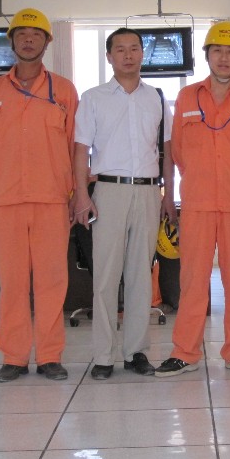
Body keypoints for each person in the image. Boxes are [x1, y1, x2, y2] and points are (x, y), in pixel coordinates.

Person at [0, 8, 78, 383]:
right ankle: (13, 356)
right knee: (12, 283)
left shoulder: (64, 90)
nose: (28, 40)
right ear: (12, 42)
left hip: (52, 199)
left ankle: (49, 356)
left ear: (48, 41)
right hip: (4, 200)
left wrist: (77, 193)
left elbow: (76, 147)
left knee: (51, 282)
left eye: (36, 34)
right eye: (21, 34)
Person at [155, 22, 230, 377]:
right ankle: (184, 352)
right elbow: (177, 152)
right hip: (197, 203)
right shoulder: (187, 97)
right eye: (217, 50)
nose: (223, 57)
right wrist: (180, 188)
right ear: (206, 56)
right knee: (192, 281)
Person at [72, 27, 176, 380]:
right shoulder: (93, 98)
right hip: (108, 191)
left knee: (140, 276)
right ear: (109, 56)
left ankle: (136, 352)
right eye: (120, 49)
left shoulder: (157, 98)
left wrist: (169, 195)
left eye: (134, 48)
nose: (128, 55)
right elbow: (81, 151)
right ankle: (103, 356)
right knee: (105, 277)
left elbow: (167, 152)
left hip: (148, 192)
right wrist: (81, 195)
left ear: (143, 54)